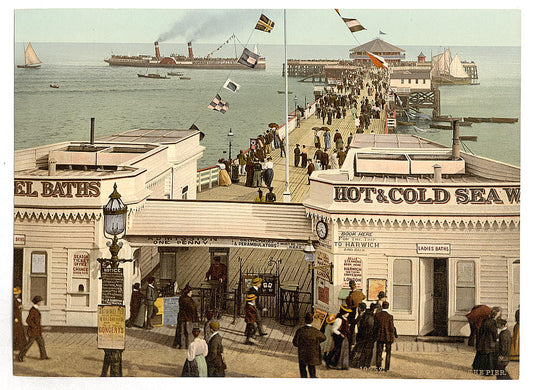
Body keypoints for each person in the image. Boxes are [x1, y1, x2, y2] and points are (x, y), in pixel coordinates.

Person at [292, 312, 326, 378]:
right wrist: (316, 342)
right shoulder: (315, 331)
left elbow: (295, 343)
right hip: (312, 353)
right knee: (312, 368)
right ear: (312, 321)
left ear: (305, 320)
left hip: (302, 353)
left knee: (302, 368)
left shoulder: (300, 330)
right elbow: (323, 338)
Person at [17, 295, 49, 362]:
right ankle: (20, 356)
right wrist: (34, 326)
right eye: (40, 301)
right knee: (28, 345)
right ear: (37, 302)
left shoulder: (35, 309)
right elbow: (28, 320)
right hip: (33, 331)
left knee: (41, 343)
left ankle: (43, 356)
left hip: (37, 331)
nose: (41, 303)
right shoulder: (33, 310)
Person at [472, 306, 502, 376]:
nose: (499, 314)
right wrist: (496, 338)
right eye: (499, 313)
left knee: (482, 355)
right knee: (490, 355)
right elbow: (494, 333)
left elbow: (481, 330)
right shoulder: (493, 322)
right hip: (490, 341)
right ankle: (488, 371)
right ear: (496, 314)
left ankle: (478, 369)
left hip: (483, 340)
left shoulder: (485, 320)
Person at [325, 304, 351, 370]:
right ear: (344, 313)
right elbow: (333, 329)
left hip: (343, 337)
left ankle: (337, 364)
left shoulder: (345, 319)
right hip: (338, 337)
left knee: (339, 351)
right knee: (336, 350)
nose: (348, 314)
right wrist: (340, 334)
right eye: (347, 312)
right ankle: (329, 362)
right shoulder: (339, 320)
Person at [373, 301, 397, 372]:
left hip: (379, 336)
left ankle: (378, 366)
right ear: (388, 307)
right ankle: (387, 367)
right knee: (388, 352)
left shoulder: (377, 315)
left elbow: (375, 326)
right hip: (388, 337)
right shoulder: (390, 316)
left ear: (382, 306)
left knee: (379, 352)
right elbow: (391, 328)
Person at [173, 284, 199, 349]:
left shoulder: (181, 298)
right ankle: (188, 345)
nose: (191, 293)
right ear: (188, 292)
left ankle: (182, 345)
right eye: (191, 292)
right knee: (188, 332)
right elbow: (193, 309)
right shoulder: (189, 301)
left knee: (181, 332)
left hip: (181, 318)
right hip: (188, 318)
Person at [346, 280, 366, 346]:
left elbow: (349, 304)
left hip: (353, 311)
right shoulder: (359, 293)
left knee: (352, 327)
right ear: (355, 286)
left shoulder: (351, 295)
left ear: (351, 287)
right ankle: (359, 341)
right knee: (360, 326)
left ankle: (352, 341)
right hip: (360, 310)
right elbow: (364, 297)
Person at [13, 287, 27, 352]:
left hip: (18, 317)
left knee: (19, 331)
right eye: (17, 293)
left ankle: (20, 345)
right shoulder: (14, 300)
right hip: (15, 317)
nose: (18, 294)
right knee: (16, 332)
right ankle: (16, 346)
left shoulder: (17, 300)